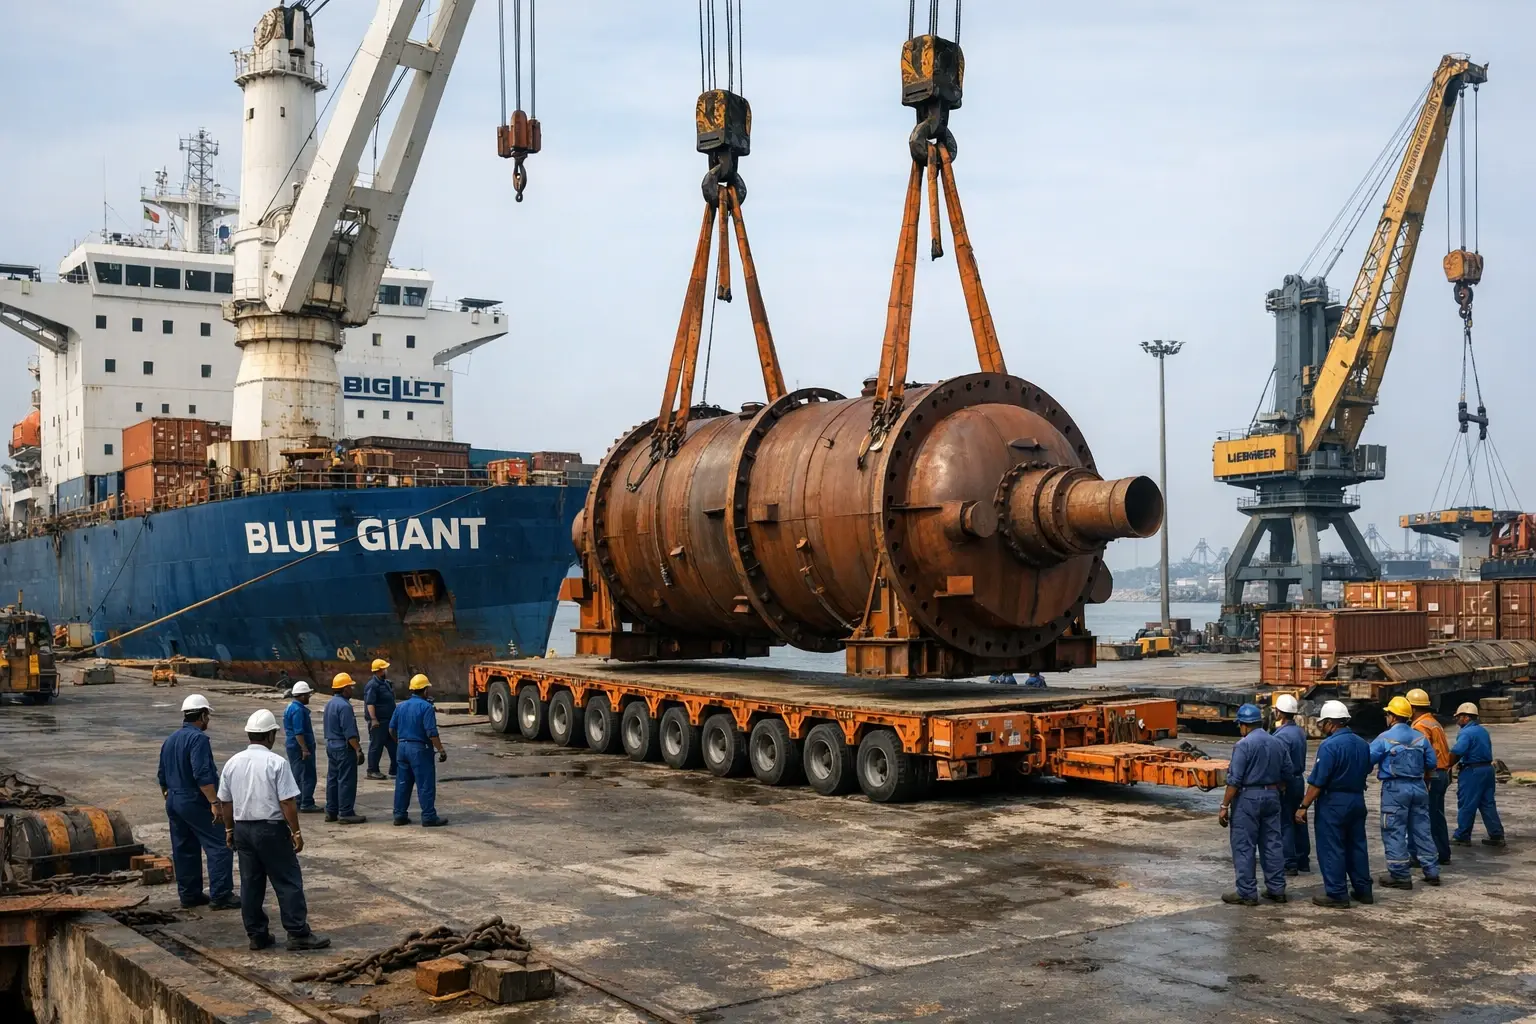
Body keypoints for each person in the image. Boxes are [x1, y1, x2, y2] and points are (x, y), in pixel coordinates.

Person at [217, 709, 330, 952]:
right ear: (269, 736)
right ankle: (297, 933)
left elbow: (225, 802)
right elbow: (287, 802)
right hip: (270, 829)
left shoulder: (232, 763)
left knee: (250, 883)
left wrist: (229, 830)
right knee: (287, 880)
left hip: (243, 829)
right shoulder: (276, 763)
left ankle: (257, 935)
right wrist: (296, 832)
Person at [156, 694, 238, 911]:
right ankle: (221, 895)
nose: (208, 720)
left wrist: (171, 796)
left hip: (173, 799)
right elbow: (202, 773)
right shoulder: (198, 740)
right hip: (193, 798)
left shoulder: (170, 739)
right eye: (207, 716)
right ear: (202, 715)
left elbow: (162, 775)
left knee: (184, 847)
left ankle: (189, 895)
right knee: (220, 844)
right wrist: (214, 802)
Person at [1295, 700, 1373, 908]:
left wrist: (1303, 806)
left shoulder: (1329, 746)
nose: (1321, 728)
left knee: (1332, 848)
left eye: (1323, 724)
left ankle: (1337, 894)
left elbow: (1318, 781)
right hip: (1357, 799)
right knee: (1357, 845)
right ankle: (1364, 890)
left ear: (1330, 723)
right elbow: (1367, 769)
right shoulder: (1362, 744)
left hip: (1334, 803)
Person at [1218, 703, 1291, 906]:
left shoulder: (1244, 745)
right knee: (1272, 844)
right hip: (1272, 796)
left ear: (1243, 725)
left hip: (1248, 799)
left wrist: (1224, 806)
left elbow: (1235, 780)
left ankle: (1247, 892)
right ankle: (1277, 889)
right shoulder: (1277, 742)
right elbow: (1288, 772)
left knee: (1244, 846)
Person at [1369, 696, 1440, 890]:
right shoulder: (1420, 737)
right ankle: (1432, 871)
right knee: (1422, 829)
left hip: (1395, 789)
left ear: (1392, 716)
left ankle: (1400, 875)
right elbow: (1432, 763)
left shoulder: (1384, 738)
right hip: (1418, 787)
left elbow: (1367, 759)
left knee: (1394, 830)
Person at [391, 674, 449, 828]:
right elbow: (431, 733)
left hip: (402, 747)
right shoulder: (426, 707)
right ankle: (429, 816)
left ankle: (399, 815)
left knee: (403, 783)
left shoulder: (401, 706)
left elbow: (391, 729)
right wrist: (441, 750)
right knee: (425, 783)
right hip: (419, 749)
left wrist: (401, 742)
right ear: (424, 691)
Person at [1449, 702, 1505, 848]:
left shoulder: (1466, 733)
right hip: (1487, 770)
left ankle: (1462, 835)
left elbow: (1457, 752)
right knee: (1487, 803)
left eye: (1459, 717)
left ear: (1466, 717)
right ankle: (1496, 835)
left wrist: (1446, 766)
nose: (1457, 720)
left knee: (1467, 803)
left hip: (1472, 771)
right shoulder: (1482, 731)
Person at [1407, 688, 1453, 866]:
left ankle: (1425, 855)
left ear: (1412, 708)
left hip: (1432, 775)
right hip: (1442, 773)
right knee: (1436, 815)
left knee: (1424, 817)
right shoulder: (1433, 722)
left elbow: (1422, 753)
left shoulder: (1420, 726)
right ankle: (1442, 852)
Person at [1271, 693, 1311, 876]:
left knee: (1285, 822)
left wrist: (1279, 784)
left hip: (1286, 782)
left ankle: (1289, 863)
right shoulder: (1299, 732)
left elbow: (1279, 763)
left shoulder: (1281, 736)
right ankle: (1303, 860)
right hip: (1298, 780)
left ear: (1279, 713)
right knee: (1299, 819)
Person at [322, 673, 367, 824]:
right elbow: (349, 732)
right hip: (343, 747)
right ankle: (346, 812)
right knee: (346, 780)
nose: (352, 689)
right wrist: (358, 749)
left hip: (331, 745)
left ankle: (331, 811)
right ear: (344, 688)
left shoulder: (329, 704)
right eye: (350, 687)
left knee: (333, 779)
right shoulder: (345, 706)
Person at [282, 681, 321, 814]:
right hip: (300, 747)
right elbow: (299, 732)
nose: (309, 697)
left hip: (292, 745)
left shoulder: (290, 707)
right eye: (308, 695)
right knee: (308, 775)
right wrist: (304, 749)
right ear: (302, 696)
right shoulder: (298, 710)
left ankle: (298, 801)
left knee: (297, 774)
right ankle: (307, 802)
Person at [362, 658, 398, 781]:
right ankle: (372, 770)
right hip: (379, 722)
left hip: (388, 721)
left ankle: (395, 769)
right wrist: (373, 719)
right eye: (384, 668)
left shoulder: (385, 683)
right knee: (376, 746)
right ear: (379, 671)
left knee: (394, 746)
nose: (387, 670)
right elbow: (370, 703)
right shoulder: (373, 685)